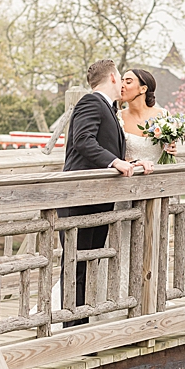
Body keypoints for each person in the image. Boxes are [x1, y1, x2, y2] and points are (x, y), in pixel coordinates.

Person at [61, 59, 150, 327]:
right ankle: (71, 327)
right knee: (75, 264)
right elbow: (83, 140)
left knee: (90, 262)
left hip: (97, 199)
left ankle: (82, 322)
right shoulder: (90, 102)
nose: (122, 83)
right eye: (120, 78)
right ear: (112, 78)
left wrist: (133, 163)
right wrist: (115, 163)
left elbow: (107, 148)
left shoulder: (109, 109)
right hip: (80, 196)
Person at [118, 67, 176, 165]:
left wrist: (171, 149)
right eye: (121, 81)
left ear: (143, 89)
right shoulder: (118, 117)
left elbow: (169, 146)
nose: (121, 86)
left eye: (128, 82)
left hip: (161, 174)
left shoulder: (163, 115)